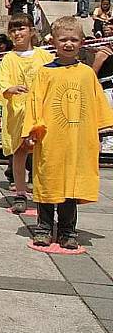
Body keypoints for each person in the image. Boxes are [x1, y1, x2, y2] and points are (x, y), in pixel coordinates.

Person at [23, 16, 113, 249]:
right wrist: (32, 130)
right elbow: (35, 102)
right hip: (51, 141)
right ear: (53, 42)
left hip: (77, 142)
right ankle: (43, 228)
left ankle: (67, 231)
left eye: (74, 39)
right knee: (47, 183)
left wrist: (101, 133)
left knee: (70, 186)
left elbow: (98, 106)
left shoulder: (86, 74)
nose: (69, 44)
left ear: (82, 42)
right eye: (64, 39)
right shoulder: (45, 73)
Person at [0, 13, 54, 213]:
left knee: (42, 152)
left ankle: (42, 191)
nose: (17, 33)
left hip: (41, 113)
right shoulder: (8, 59)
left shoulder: (44, 56)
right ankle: (20, 192)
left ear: (31, 31)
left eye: (21, 28)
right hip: (18, 113)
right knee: (20, 152)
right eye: (13, 30)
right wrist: (9, 89)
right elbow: (1, 82)